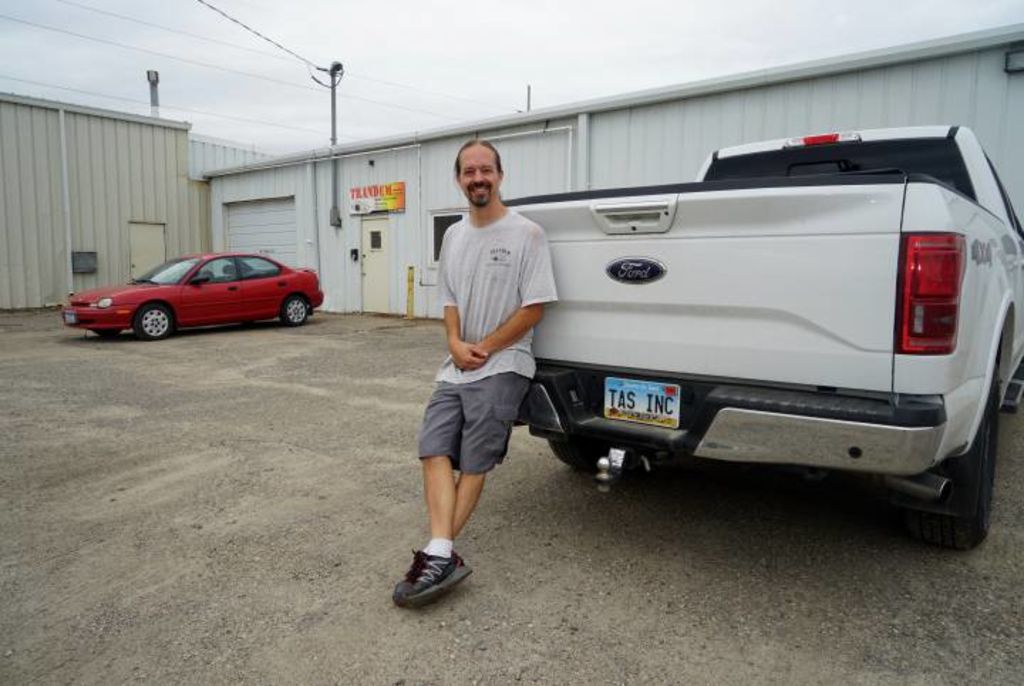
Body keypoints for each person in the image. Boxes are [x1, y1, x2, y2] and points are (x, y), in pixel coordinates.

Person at [392, 139, 558, 608]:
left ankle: (437, 553)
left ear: (500, 176)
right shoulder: (454, 235)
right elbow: (449, 299)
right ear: (459, 179)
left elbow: (535, 307)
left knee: (474, 458)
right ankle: (442, 551)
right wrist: (453, 342)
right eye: (469, 171)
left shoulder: (527, 234)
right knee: (433, 447)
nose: (478, 178)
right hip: (457, 364)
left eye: (486, 170)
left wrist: (484, 346)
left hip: (504, 363)